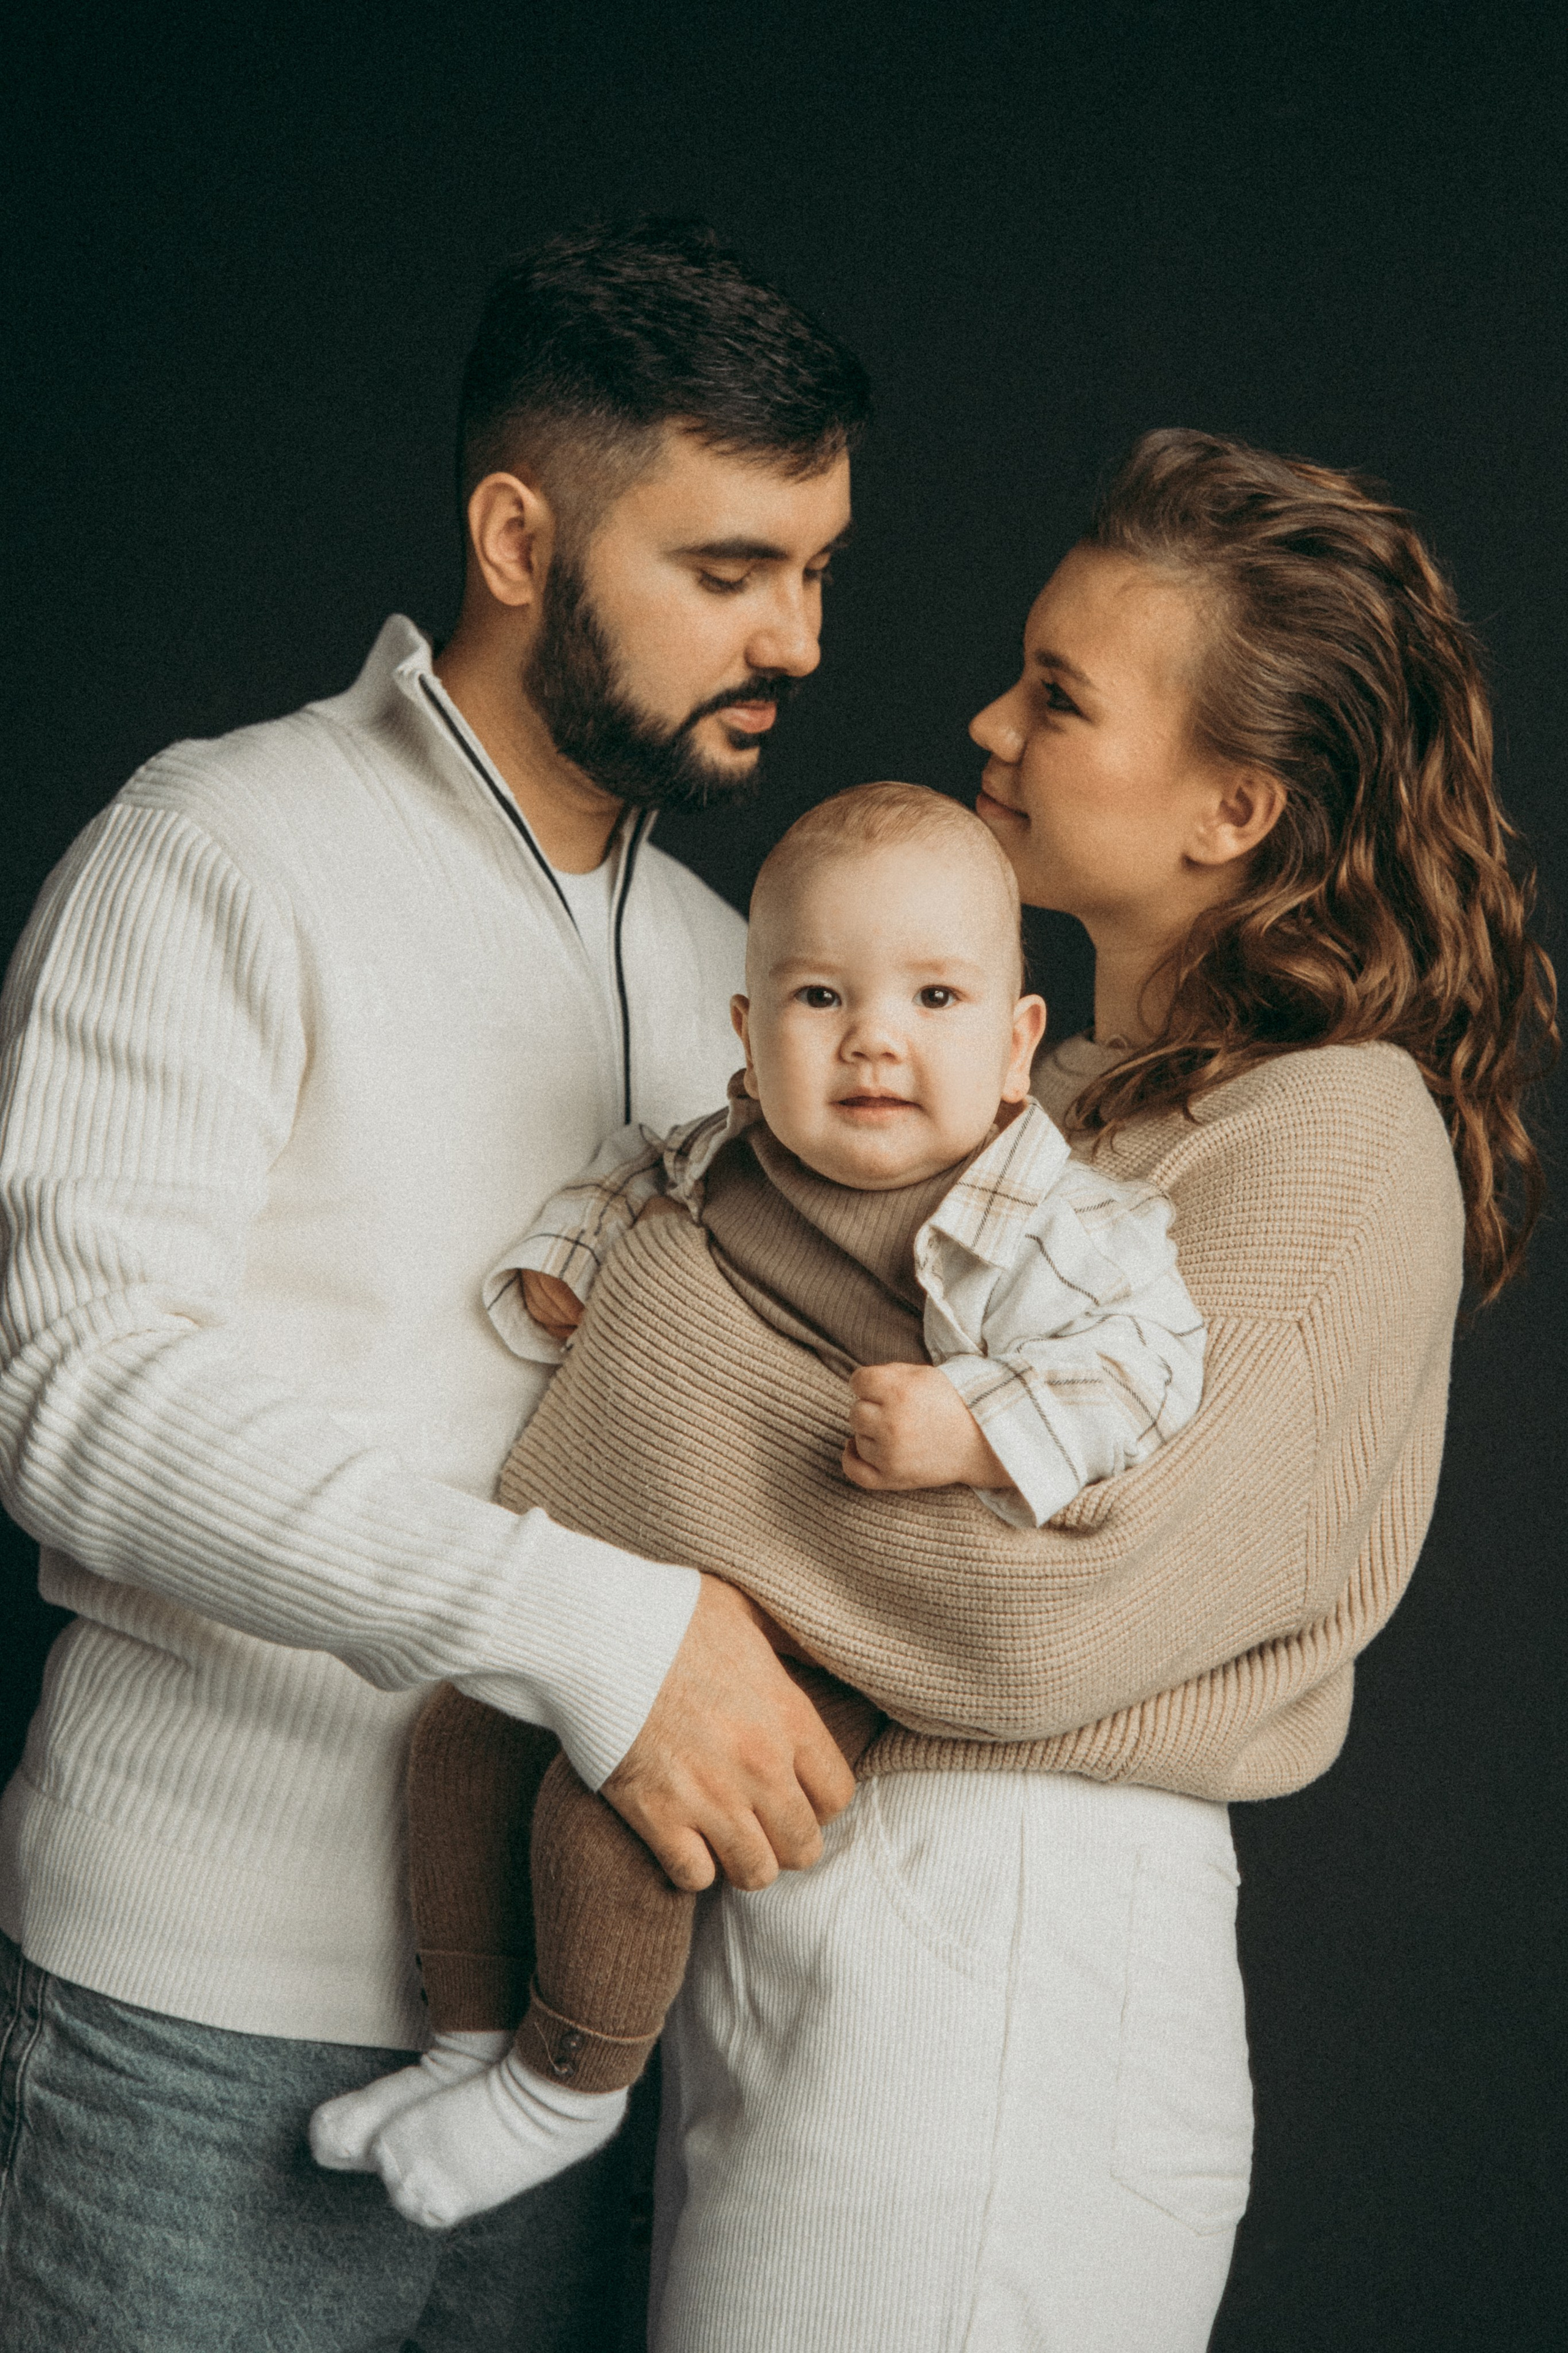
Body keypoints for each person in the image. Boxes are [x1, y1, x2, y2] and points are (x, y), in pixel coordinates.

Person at [335, 428, 1548, 2352]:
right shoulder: (1021, 1103)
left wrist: (644, 1359)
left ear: (1233, 806)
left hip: (1007, 1986)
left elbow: (1024, 1613)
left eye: (1059, 696)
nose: (988, 716)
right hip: (793, 1912)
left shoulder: (1341, 1134)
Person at [0, 219, 870, 2352]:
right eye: (730, 571)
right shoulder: (213, 848)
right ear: (517, 534)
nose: (802, 642)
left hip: (580, 2047)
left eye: (821, 570)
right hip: (188, 2028)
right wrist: (591, 1627)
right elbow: (73, 1394)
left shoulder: (739, 974)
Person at [306, 780, 1208, 2230]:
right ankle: (468, 2042)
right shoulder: (728, 1150)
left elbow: (1150, 1364)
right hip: (639, 1583)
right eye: (816, 996)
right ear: (745, 1034)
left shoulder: (1047, 1218)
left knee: (614, 1817)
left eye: (932, 994)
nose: (872, 1037)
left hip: (816, 1634)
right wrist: (571, 1266)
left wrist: (980, 1425)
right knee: (465, 1731)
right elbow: (631, 1182)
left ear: (1015, 1043)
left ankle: (562, 2091)